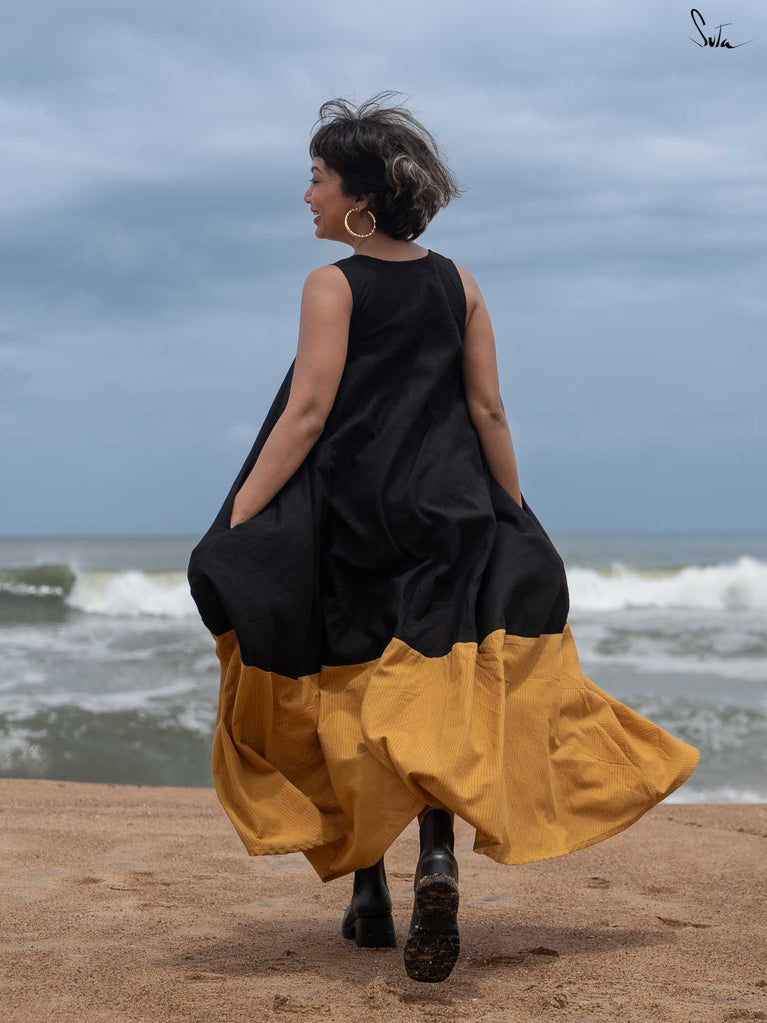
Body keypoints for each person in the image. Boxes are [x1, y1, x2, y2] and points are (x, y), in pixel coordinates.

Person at [186, 91, 700, 984]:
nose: (306, 195)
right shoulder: (458, 283)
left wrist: (240, 516)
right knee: (434, 691)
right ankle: (432, 856)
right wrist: (514, 510)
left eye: (316, 178)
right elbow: (488, 408)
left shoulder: (331, 284)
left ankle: (368, 890)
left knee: (351, 688)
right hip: (450, 513)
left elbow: (306, 414)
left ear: (359, 197)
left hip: (353, 519)